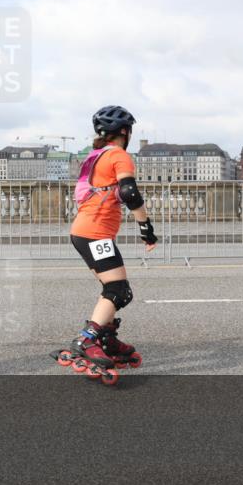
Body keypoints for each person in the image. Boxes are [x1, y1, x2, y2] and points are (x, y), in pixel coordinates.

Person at [53, 105, 159, 383]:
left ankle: (108, 340)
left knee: (112, 290)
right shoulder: (119, 155)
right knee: (118, 290)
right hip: (96, 232)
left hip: (84, 232)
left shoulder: (95, 156)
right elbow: (129, 192)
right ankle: (87, 341)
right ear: (125, 132)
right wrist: (146, 228)